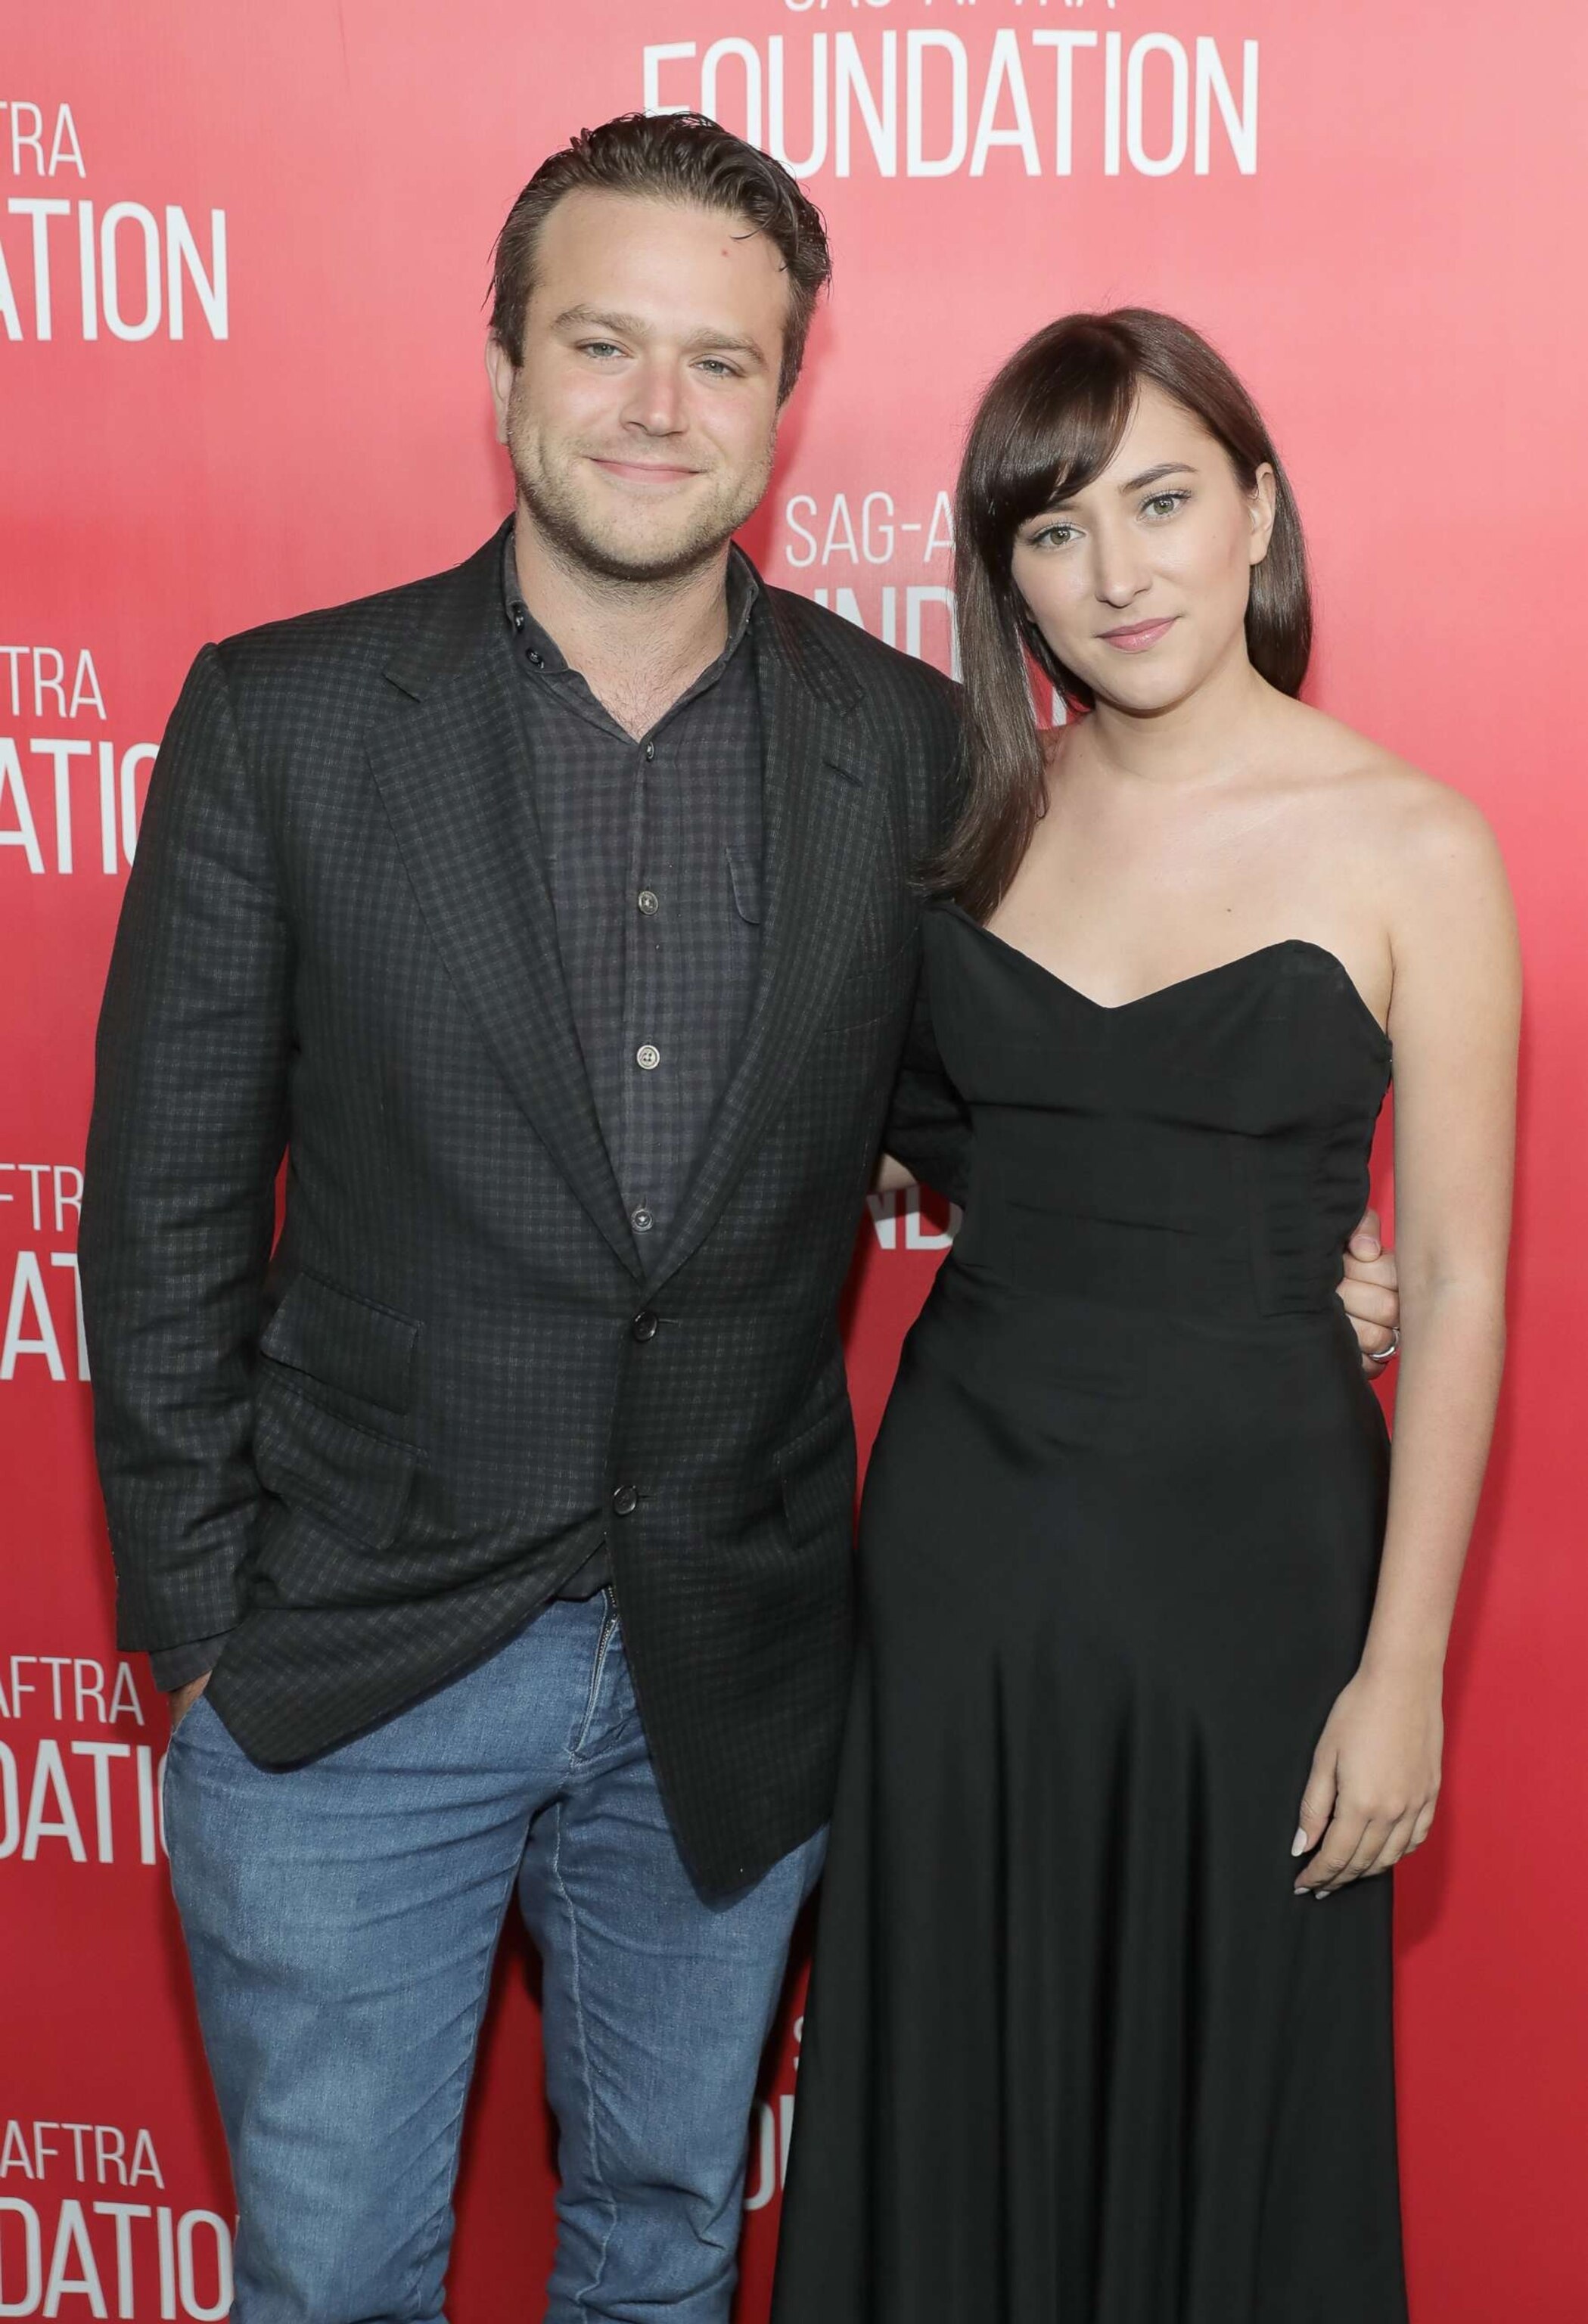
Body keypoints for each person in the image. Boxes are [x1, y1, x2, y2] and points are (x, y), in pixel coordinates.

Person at [78, 109, 1398, 2323]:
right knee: (331, 2279)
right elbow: (166, 1219)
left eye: (718, 360)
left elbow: (990, 1106)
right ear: (502, 367)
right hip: (344, 1673)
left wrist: (1243, 1251)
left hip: (736, 1674)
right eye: (603, 345)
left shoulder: (909, 754)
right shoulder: (285, 721)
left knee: (671, 2253)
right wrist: (207, 1638)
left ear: (786, 405)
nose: (656, 408)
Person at [772, 310, 1516, 2324]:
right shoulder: (967, 819)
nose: (1117, 572)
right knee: (955, 2055)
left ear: (1257, 507)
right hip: (964, 1557)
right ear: (997, 567)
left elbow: (1450, 1281)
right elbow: (899, 1125)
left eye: (1164, 500)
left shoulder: (1414, 846)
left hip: (1257, 1573)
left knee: (1237, 2098)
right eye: (1054, 528)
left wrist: (1403, 1667)